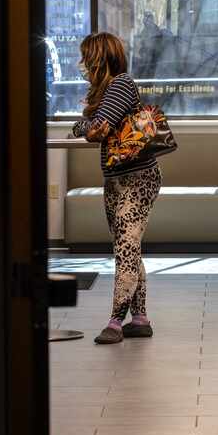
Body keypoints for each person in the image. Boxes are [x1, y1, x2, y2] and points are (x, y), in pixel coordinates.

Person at [72, 32, 162, 345]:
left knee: (125, 248)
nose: (82, 64)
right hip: (116, 179)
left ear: (98, 59)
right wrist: (86, 125)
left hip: (137, 180)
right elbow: (94, 126)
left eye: (86, 58)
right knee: (128, 248)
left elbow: (97, 128)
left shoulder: (121, 84)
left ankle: (115, 321)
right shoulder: (108, 90)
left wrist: (81, 125)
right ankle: (140, 319)